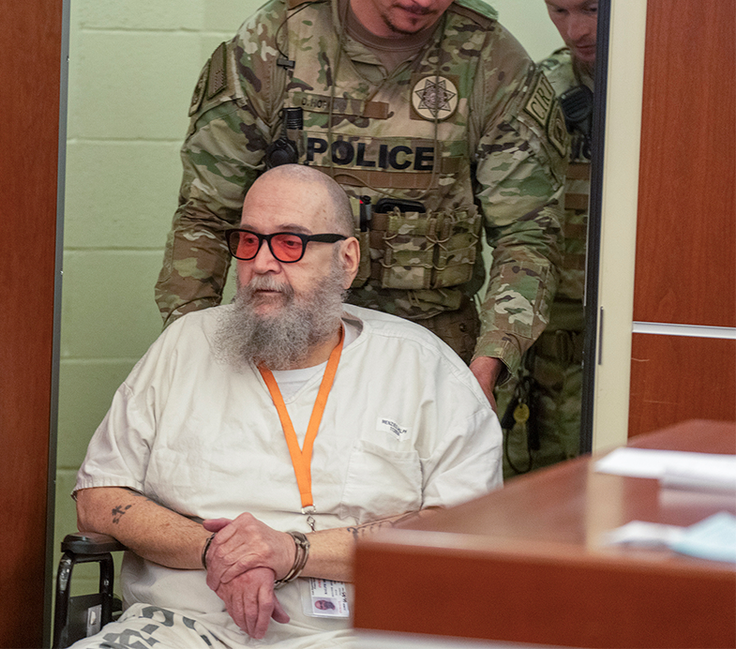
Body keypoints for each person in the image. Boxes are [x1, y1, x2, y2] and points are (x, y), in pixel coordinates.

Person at [75, 165, 502, 647]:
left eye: (289, 243)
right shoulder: (185, 345)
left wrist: (291, 552)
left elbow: (465, 530)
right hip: (184, 626)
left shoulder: (423, 367)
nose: (262, 263)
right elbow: (98, 498)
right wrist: (218, 550)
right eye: (249, 241)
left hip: (359, 632)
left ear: (346, 259)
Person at [155, 0, 567, 407]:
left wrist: (489, 364)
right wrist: (187, 348)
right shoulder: (277, 39)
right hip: (286, 348)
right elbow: (206, 215)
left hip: (431, 362)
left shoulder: (492, 61)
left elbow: (527, 234)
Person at [497, 0, 597, 476]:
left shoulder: (681, 88)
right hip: (541, 367)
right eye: (558, 11)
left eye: (592, 9)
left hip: (632, 355)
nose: (575, 30)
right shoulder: (538, 92)